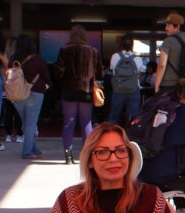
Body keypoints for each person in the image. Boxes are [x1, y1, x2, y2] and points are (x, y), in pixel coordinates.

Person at [37, 123, 184, 213]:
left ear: (129, 156)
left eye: (121, 150)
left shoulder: (151, 197)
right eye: (102, 152)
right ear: (89, 161)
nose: (113, 159)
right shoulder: (69, 199)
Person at [55, 24, 103, 164]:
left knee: (68, 123)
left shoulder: (64, 50)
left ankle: (68, 156)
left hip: (69, 91)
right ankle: (87, 156)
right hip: (86, 91)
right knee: (86, 123)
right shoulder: (93, 51)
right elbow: (99, 73)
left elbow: (58, 73)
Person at [11, 34, 50, 160]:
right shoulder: (37, 60)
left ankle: (35, 149)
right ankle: (27, 151)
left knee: (26, 123)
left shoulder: (13, 59)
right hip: (34, 93)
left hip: (16, 94)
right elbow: (46, 76)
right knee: (31, 124)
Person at [109, 33, 144, 126]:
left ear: (121, 44)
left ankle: (111, 137)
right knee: (132, 116)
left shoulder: (115, 56)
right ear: (132, 45)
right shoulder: (137, 58)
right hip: (133, 90)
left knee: (114, 115)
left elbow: (113, 71)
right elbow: (139, 74)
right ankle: (131, 137)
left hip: (118, 89)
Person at [154, 12, 185, 98]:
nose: (166, 28)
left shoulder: (168, 41)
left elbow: (162, 65)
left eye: (168, 25)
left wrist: (156, 86)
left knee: (166, 110)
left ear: (178, 26)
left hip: (168, 85)